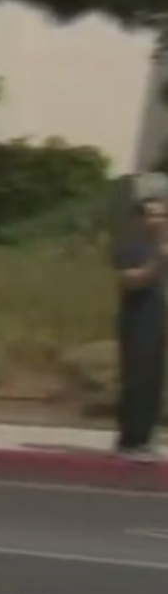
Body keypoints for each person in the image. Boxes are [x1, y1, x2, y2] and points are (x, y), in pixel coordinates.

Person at [113, 191, 168, 458]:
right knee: (136, 379)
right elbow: (132, 280)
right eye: (151, 214)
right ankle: (128, 441)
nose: (157, 220)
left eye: (162, 215)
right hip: (137, 318)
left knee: (154, 381)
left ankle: (146, 439)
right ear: (138, 218)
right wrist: (158, 260)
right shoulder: (130, 246)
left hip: (158, 318)